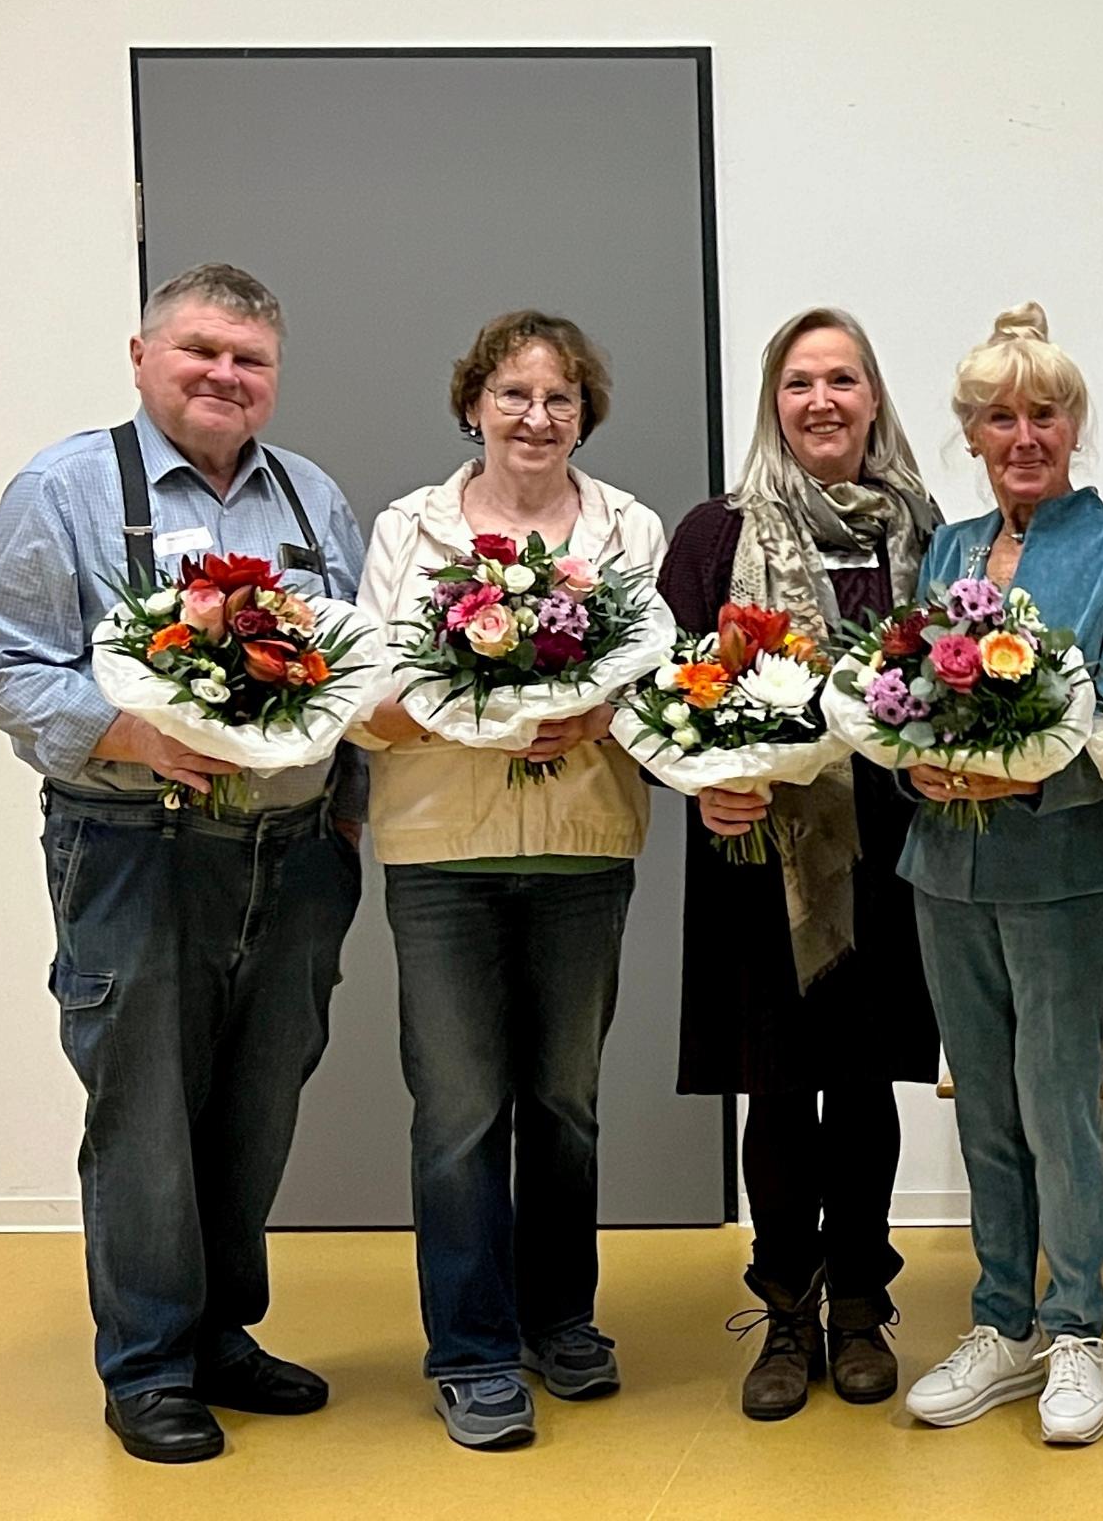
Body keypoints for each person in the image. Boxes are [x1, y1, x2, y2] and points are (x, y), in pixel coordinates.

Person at [0, 264, 366, 1463]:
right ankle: (145, 1366)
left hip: (290, 856)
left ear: (274, 382)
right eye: (201, 351)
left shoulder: (313, 501)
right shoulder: (67, 488)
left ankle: (220, 1339)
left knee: (255, 1108)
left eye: (250, 361)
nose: (225, 376)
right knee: (142, 1114)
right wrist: (128, 729)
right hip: (134, 845)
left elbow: (355, 673)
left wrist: (345, 816)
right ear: (142, 359)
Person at [353, 310, 667, 1450]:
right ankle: (474, 1350)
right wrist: (477, 714)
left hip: (585, 847)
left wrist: (596, 710)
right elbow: (371, 697)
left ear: (585, 414)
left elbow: (659, 689)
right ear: (473, 403)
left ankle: (562, 1321)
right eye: (515, 395)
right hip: (442, 853)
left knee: (565, 1104)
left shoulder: (626, 526)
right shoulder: (412, 528)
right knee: (458, 1113)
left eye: (561, 399)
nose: (538, 418)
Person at [657, 308, 943, 1420]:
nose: (821, 400)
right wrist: (699, 781)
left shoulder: (930, 533)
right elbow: (663, 695)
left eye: (843, 379)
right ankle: (785, 1310)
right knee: (776, 1091)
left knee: (866, 1086)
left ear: (875, 398)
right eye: (798, 381)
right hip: (757, 853)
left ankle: (863, 1304)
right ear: (773, 403)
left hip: (890, 851)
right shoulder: (715, 535)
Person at [896, 304, 1103, 1447]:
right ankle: (1001, 1321)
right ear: (969, 432)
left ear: (1074, 425)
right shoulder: (949, 549)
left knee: (1060, 1106)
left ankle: (1075, 1331)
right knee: (986, 1107)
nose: (1023, 434)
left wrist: (1021, 782)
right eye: (999, 416)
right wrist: (923, 770)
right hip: (946, 872)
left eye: (1043, 413)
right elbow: (906, 691)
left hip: (1063, 866)